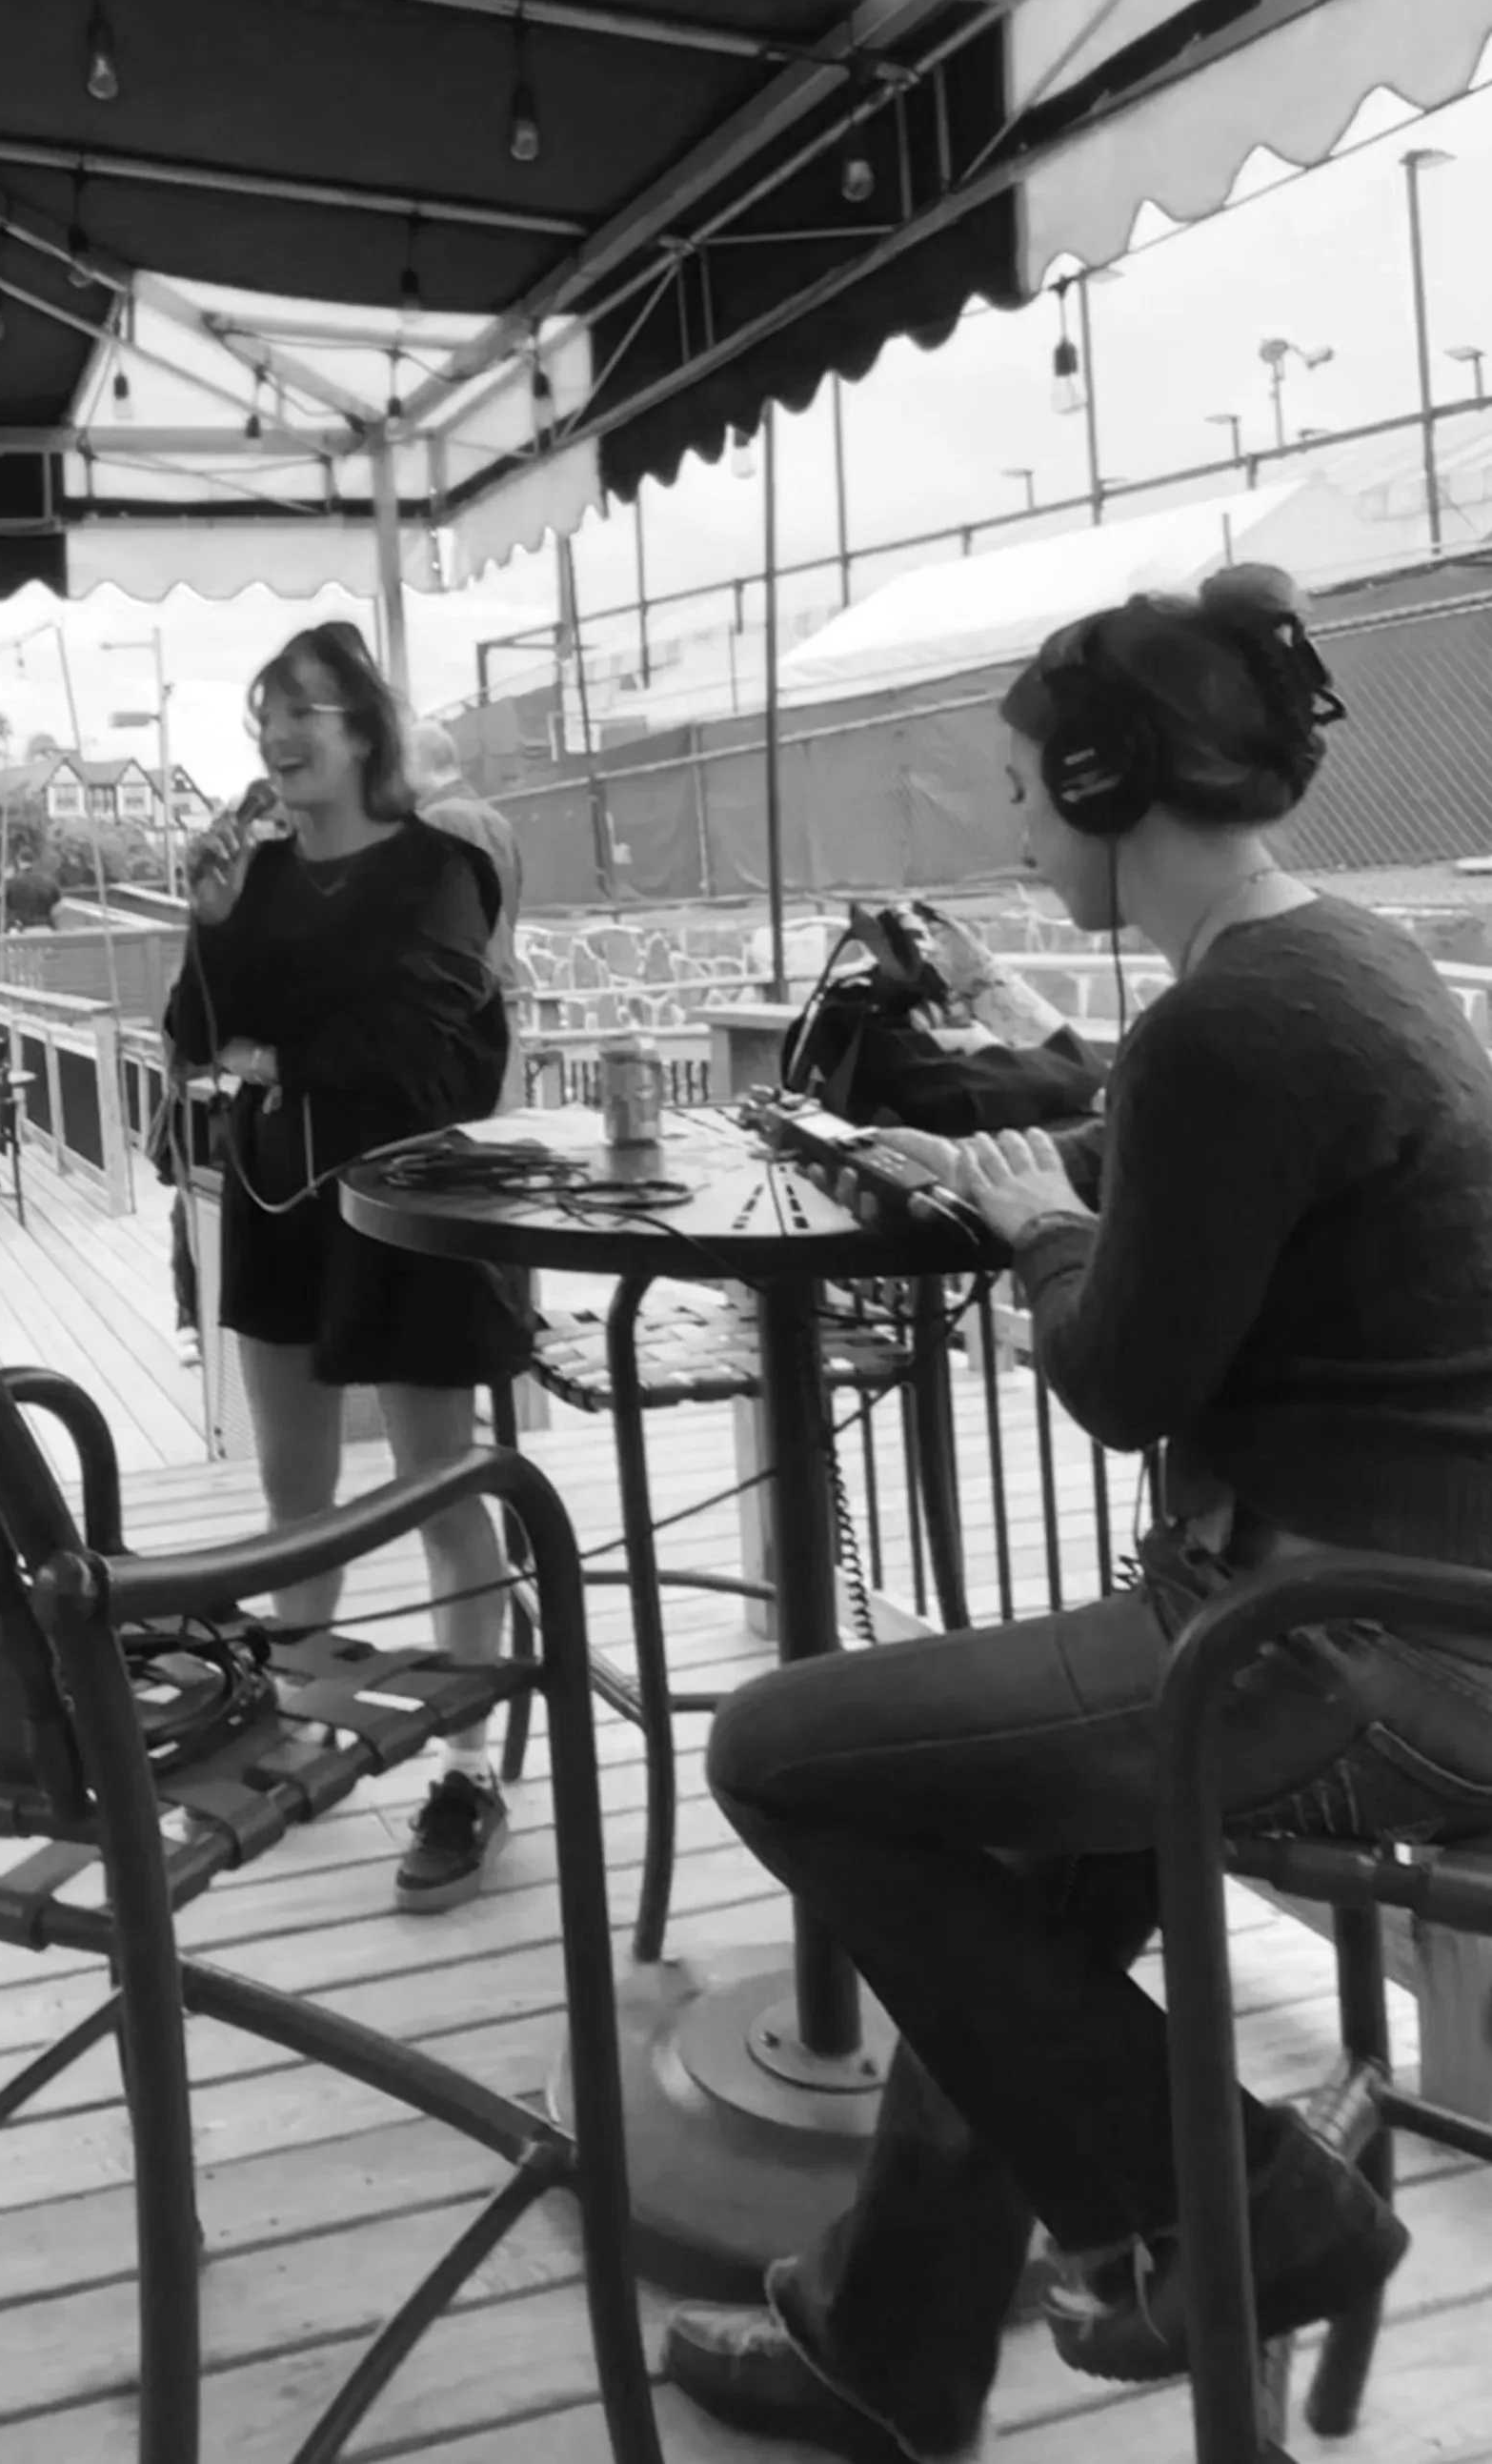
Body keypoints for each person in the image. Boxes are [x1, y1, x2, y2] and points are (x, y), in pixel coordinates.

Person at [668, 562, 1492, 2464]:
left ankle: (1247, 2204)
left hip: (1338, 1656)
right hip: (1404, 1612)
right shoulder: (1334, 957)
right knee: (1012, 1893)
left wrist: (1037, 1223)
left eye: (1033, 788)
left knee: (782, 1753)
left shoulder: (1228, 1022)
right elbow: (1187, 1162)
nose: (1019, 829)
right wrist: (1022, 1164)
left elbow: (1120, 1377)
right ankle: (885, 2344)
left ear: (1115, 780)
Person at [165, 624, 525, 1908]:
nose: (278, 731)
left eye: (305, 709)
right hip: (278, 1202)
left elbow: (417, 1038)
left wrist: (272, 1054)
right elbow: (190, 1035)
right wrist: (209, 928)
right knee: (297, 1493)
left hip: (413, 1209)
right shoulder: (252, 879)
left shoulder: (440, 864)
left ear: (364, 729)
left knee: (438, 1485)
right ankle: (303, 1718)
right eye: (267, 709)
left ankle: (473, 1761)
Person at [409, 718, 528, 1108]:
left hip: (457, 1018)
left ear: (414, 763)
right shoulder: (496, 821)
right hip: (499, 999)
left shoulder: (436, 822)